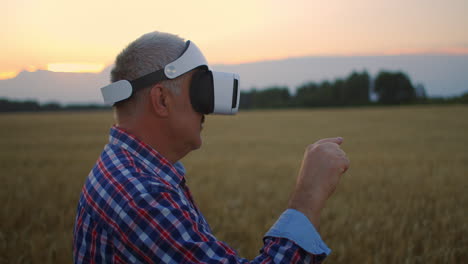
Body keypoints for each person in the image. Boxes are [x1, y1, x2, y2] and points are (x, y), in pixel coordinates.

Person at [73, 31, 350, 263]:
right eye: (200, 90)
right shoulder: (140, 193)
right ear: (162, 100)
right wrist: (309, 196)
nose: (208, 109)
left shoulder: (126, 168)